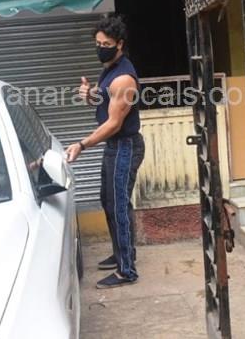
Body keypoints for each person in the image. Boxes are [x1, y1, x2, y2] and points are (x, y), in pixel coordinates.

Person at [66, 15, 145, 289]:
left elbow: (114, 123)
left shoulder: (123, 78)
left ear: (119, 44)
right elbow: (102, 102)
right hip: (115, 146)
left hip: (124, 146)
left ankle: (127, 271)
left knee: (119, 205)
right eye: (98, 44)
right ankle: (122, 253)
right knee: (109, 201)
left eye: (106, 44)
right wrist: (89, 95)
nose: (101, 48)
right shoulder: (109, 69)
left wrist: (82, 144)